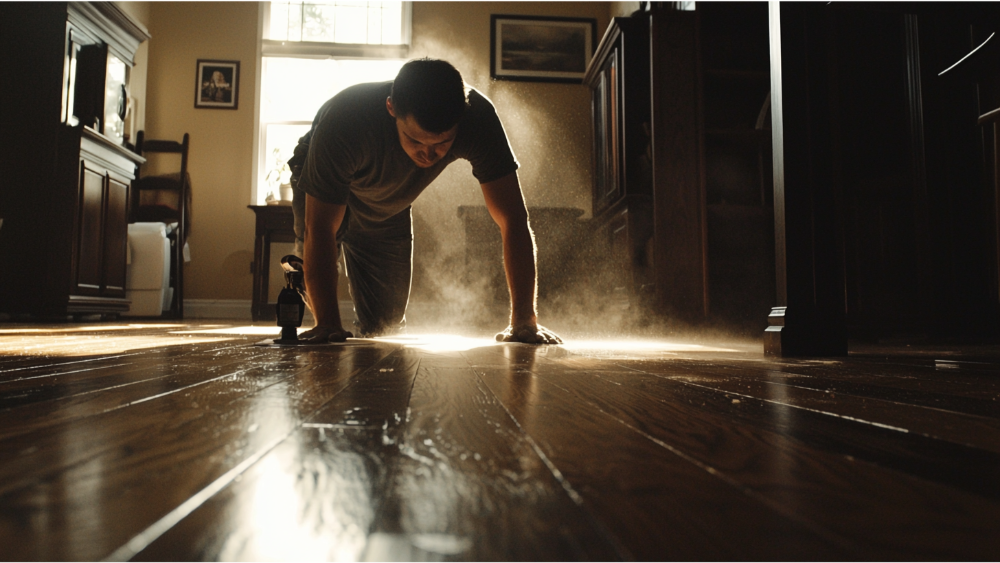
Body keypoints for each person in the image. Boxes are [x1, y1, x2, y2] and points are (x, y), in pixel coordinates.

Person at [287, 58, 561, 345]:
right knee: (319, 302)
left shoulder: (478, 119)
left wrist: (524, 320)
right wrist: (328, 323)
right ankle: (306, 287)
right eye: (415, 141)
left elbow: (513, 219)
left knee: (385, 326)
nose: (428, 156)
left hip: (389, 204)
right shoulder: (346, 120)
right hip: (323, 183)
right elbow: (319, 227)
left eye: (441, 144)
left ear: (461, 118)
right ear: (391, 107)